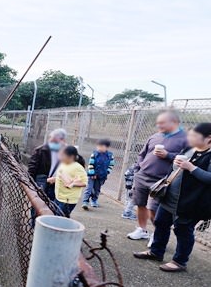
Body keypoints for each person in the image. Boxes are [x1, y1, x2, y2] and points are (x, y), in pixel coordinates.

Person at [133, 123, 211, 272]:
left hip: (191, 202)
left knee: (183, 229)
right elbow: (177, 168)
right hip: (170, 197)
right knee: (161, 222)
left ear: (209, 138)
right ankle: (156, 252)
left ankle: (180, 261)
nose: (190, 138)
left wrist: (191, 168)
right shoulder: (189, 149)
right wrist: (175, 163)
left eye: (194, 136)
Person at [127, 111, 187, 243]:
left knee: (154, 209)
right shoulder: (154, 136)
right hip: (142, 176)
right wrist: (138, 168)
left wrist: (168, 155)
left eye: (162, 123)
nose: (158, 125)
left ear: (174, 122)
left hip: (162, 180)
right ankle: (142, 230)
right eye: (158, 122)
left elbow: (187, 160)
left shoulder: (185, 139)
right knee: (140, 204)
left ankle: (157, 234)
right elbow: (142, 154)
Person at [48, 145, 87, 217]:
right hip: (59, 197)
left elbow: (84, 182)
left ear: (71, 157)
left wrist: (72, 184)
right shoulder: (63, 164)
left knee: (59, 219)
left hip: (68, 200)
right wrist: (55, 179)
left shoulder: (78, 167)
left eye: (63, 155)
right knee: (54, 215)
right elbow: (63, 176)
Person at [28, 128, 67, 200]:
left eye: (56, 140)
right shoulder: (41, 150)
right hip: (41, 181)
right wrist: (30, 183)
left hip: (56, 184)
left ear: (62, 140)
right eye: (52, 139)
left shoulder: (67, 152)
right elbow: (32, 167)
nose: (52, 141)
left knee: (51, 205)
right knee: (38, 202)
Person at [82, 139, 115, 209]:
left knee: (97, 189)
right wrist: (92, 173)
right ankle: (85, 201)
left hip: (102, 176)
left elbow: (111, 165)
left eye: (101, 146)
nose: (99, 148)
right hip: (92, 175)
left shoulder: (110, 155)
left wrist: (107, 172)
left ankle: (94, 200)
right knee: (89, 188)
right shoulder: (95, 154)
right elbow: (91, 164)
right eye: (98, 146)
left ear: (106, 147)